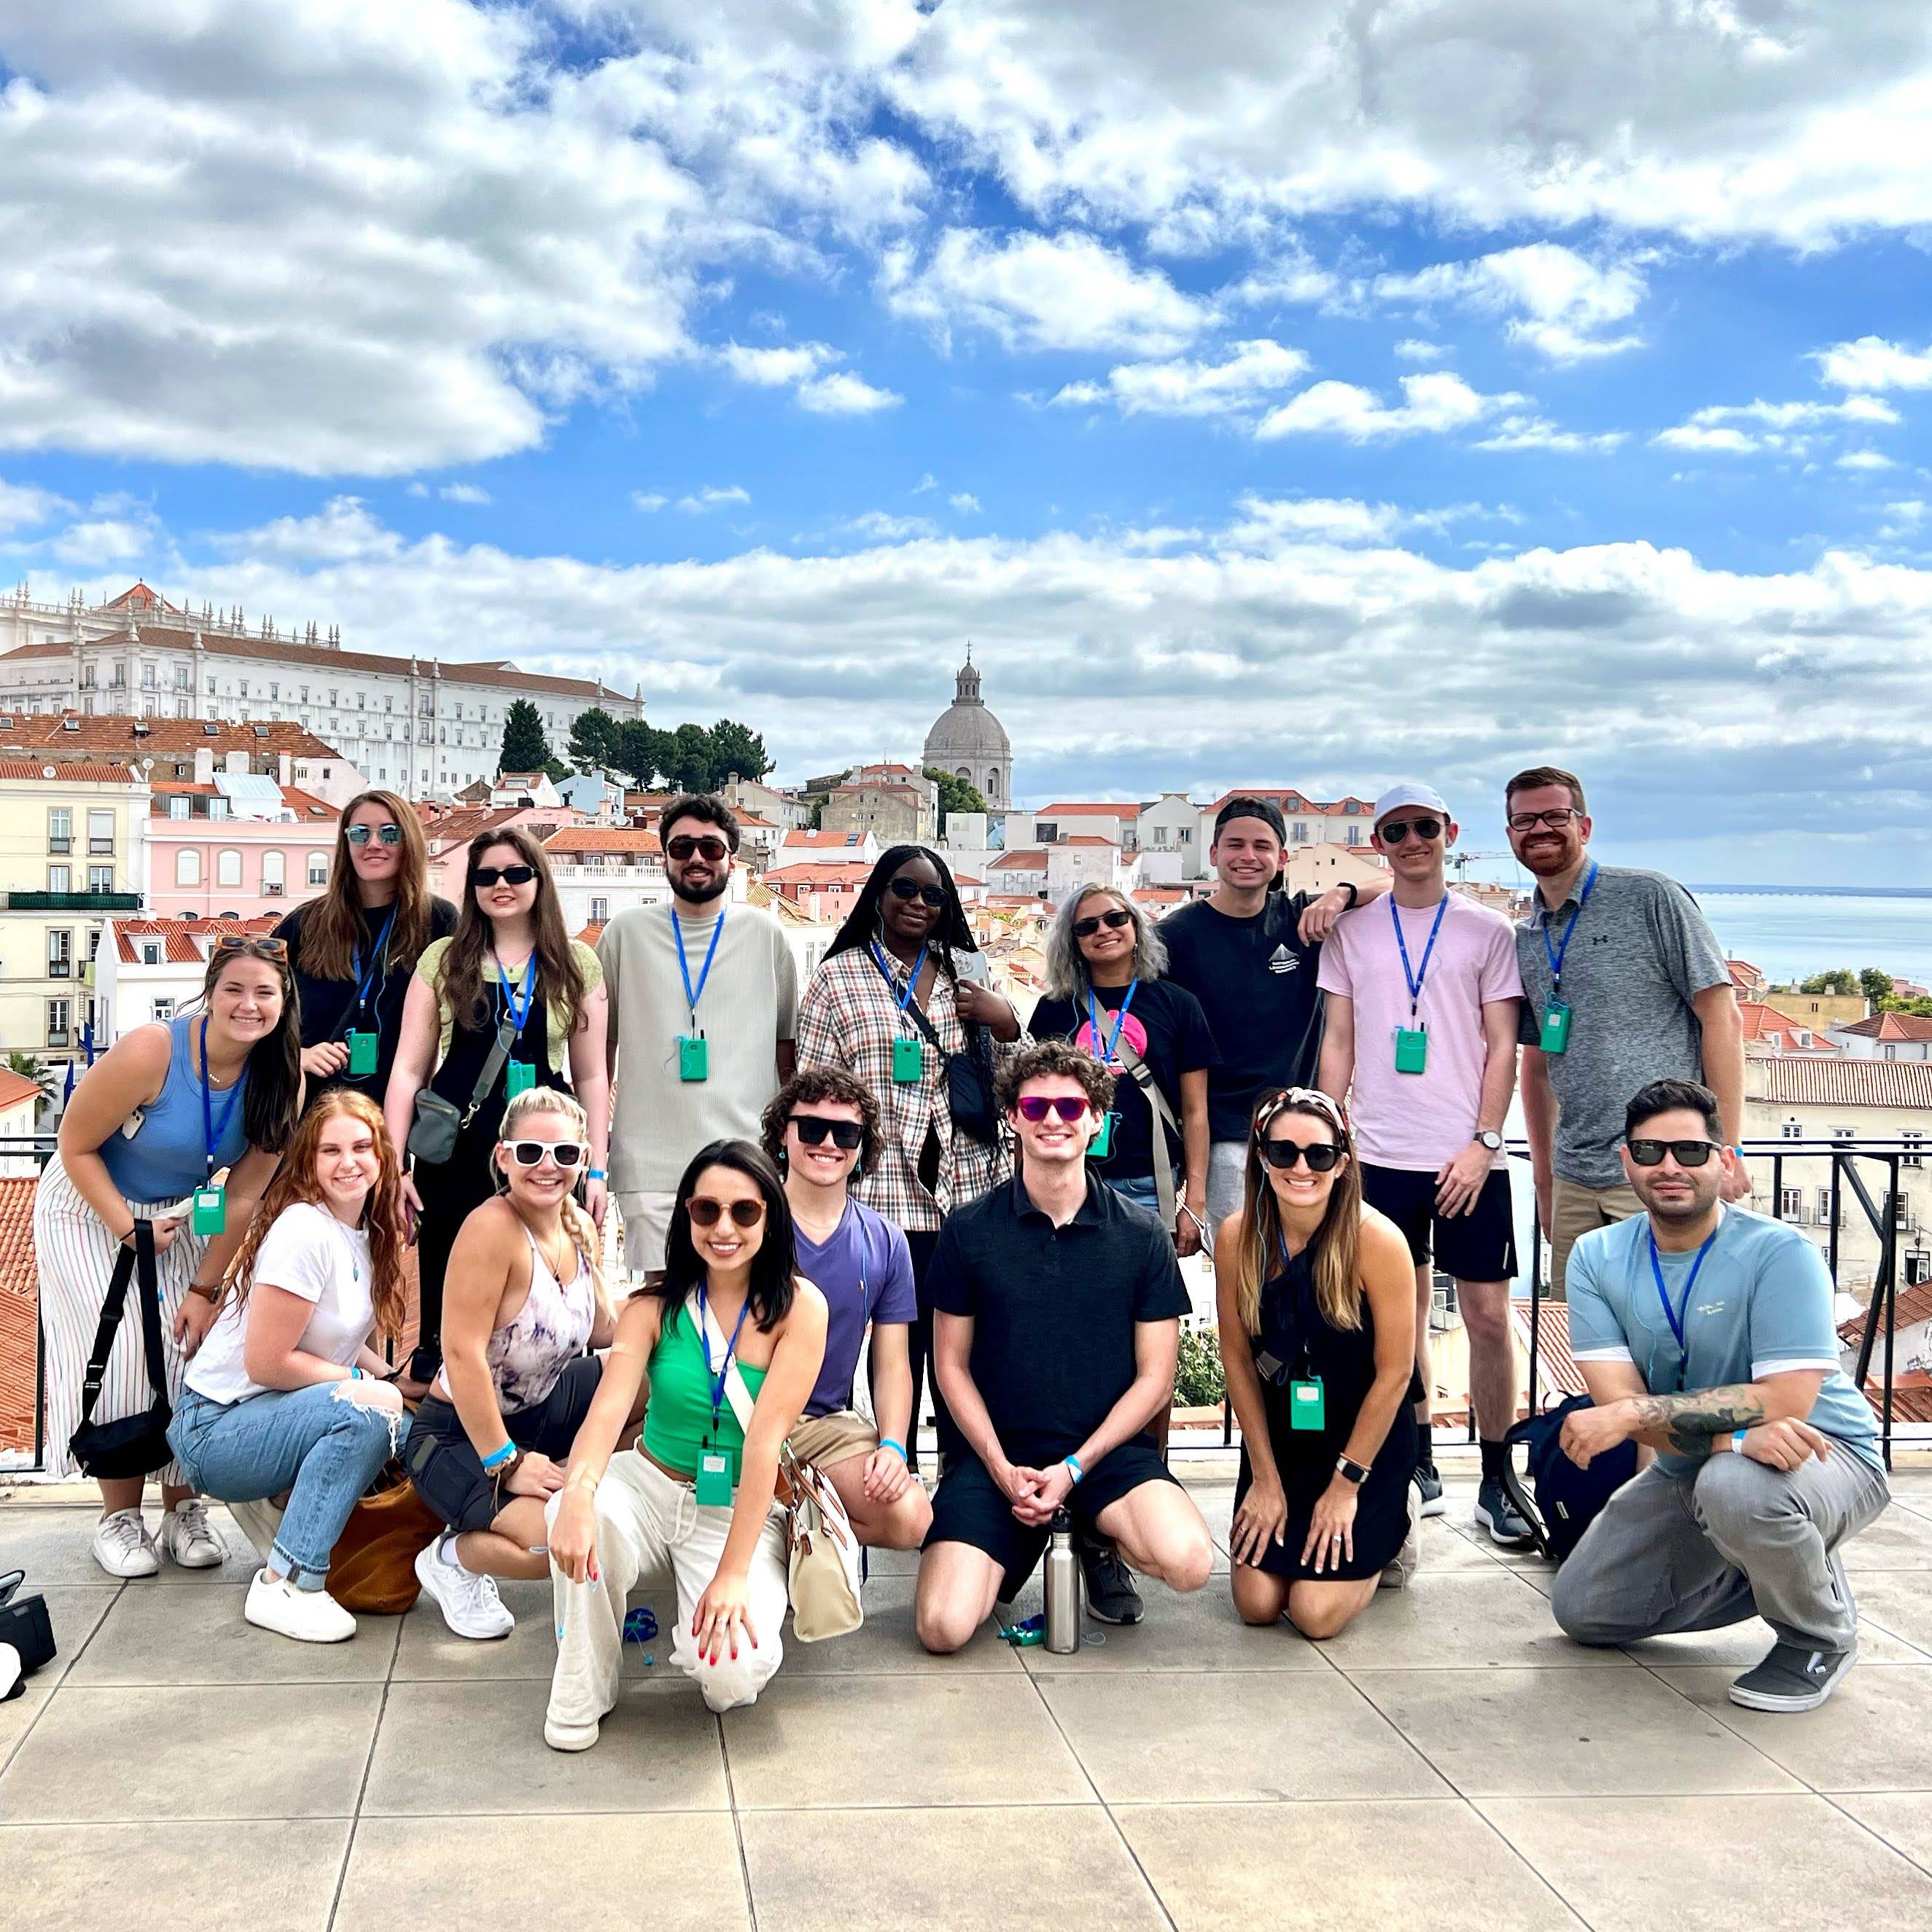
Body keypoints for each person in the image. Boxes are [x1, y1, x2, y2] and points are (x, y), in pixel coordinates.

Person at [1551, 1080, 1888, 1713]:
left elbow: (1787, 1400)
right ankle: (1778, 1560)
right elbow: (1620, 1405)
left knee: (1734, 1489)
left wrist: (1635, 1416)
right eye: (1649, 1152)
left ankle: (1817, 1632)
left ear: (1724, 1161)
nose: (1669, 1167)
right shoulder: (1597, 1256)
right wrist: (1730, 1435)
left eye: (1690, 1150)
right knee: (1586, 1612)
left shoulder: (1779, 1252)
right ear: (1626, 1162)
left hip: (1823, 1452)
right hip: (1704, 1456)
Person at [914, 1042, 1215, 1653]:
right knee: (942, 1629)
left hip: (1104, 1458)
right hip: (999, 1461)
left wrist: (1077, 1467)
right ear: (1012, 1117)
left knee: (1189, 1562)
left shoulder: (1141, 1234)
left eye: (1071, 1107)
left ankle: (1094, 1537)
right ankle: (1017, 1546)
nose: (1054, 1118)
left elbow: (1156, 1379)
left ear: (1096, 1118)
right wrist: (1000, 1469)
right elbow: (949, 1366)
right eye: (1036, 1105)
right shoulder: (969, 1230)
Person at [34, 936, 303, 1578]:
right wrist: (126, 1227)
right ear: (208, 993)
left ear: (283, 1002)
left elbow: (242, 1193)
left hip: (176, 1213)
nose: (248, 1004)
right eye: (234, 989)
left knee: (189, 1349)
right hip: (88, 1206)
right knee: (126, 1348)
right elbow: (74, 1144)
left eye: (264, 992)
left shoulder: (280, 1079)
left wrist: (204, 1291)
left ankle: (183, 1509)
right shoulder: (154, 1050)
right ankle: (117, 1517)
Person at [545, 1142, 827, 1746]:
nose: (724, 1228)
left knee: (733, 1679)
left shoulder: (801, 1308)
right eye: (706, 1211)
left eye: (744, 1212)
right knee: (575, 1513)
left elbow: (764, 1445)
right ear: (686, 1216)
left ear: (770, 1217)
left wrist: (730, 1575)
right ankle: (582, 1686)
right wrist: (577, 1490)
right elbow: (608, 1412)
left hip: (736, 1507)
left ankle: (702, 1609)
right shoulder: (648, 1307)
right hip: (647, 1483)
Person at [1317, 782, 1530, 1538]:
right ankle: (1416, 1458)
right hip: (1374, 1153)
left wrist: (1484, 1141)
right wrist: (1327, 1134)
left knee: (1485, 1317)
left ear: (1449, 832)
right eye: (1396, 830)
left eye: (1425, 828)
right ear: (1377, 842)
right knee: (1392, 1320)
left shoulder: (1487, 929)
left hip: (1465, 1156)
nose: (1412, 841)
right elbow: (1337, 1039)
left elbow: (1503, 1043)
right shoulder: (1353, 930)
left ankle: (1499, 1472)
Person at [795, 844, 1021, 1473]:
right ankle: (896, 1465)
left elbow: (1011, 1088)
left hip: (968, 1193)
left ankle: (964, 1475)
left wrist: (1006, 1024)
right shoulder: (837, 978)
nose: (919, 903)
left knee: (965, 1345)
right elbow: (814, 1091)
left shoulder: (968, 975)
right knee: (893, 1347)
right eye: (905, 889)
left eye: (933, 894)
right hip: (882, 1194)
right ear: (878, 894)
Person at [166, 1091, 409, 1643]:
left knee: (410, 1423)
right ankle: (288, 1582)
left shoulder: (364, 1231)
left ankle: (384, 1555)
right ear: (309, 1162)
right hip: (216, 1428)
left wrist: (394, 1380)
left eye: (361, 1147)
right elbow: (268, 1362)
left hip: (272, 1414)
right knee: (365, 1418)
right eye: (331, 1151)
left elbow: (333, 1341)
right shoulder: (305, 1228)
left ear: (381, 1155)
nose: (348, 1162)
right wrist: (363, 1386)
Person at [1506, 766, 1748, 1299]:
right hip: (1575, 1181)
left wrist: (1724, 1152)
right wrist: (1545, 1181)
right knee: (1579, 1339)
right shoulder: (1527, 936)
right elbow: (1541, 1065)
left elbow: (1723, 1019)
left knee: (1676, 1331)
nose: (1539, 829)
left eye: (1554, 815)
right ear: (1509, 836)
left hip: (1664, 1170)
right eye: (1525, 820)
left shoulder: (1650, 897)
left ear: (1584, 826)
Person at [386, 826, 608, 1391]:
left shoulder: (575, 961)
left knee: (548, 1283)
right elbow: (409, 1070)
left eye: (515, 873)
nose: (501, 885)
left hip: (550, 1155)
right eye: (486, 876)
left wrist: (598, 1167)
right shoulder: (444, 958)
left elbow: (591, 1074)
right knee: (451, 1280)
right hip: (457, 1151)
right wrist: (394, 1166)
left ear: (539, 878)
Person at [404, 1088, 617, 1640]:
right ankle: (453, 1559)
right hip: (460, 1436)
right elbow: (461, 1354)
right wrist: (509, 1463)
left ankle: (589, 1486)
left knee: (639, 1379)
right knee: (558, 1543)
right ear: (503, 1157)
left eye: (565, 1155)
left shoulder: (578, 1227)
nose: (548, 1167)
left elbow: (607, 1331)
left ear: (584, 1160)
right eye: (531, 1153)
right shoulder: (491, 1229)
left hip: (540, 1412)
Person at [1215, 1088, 1420, 1639]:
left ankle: (1397, 1524)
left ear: (1343, 1163)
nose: (1300, 1167)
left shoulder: (1376, 1241)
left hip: (1362, 1442)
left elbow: (1396, 1372)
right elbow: (1235, 1355)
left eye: (1319, 1155)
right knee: (1257, 1603)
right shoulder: (1238, 1236)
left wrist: (1345, 1487)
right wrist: (1264, 1478)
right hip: (1284, 1439)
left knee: (1313, 1615)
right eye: (1283, 1152)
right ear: (1261, 1156)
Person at [1161, 795, 1389, 1234]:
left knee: (1311, 1270)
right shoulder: (1175, 936)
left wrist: (1344, 892)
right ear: (1214, 855)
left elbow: (1406, 887)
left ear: (1282, 857)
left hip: (1302, 1132)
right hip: (1225, 1137)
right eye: (1235, 845)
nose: (1248, 856)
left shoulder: (1304, 918)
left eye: (1262, 846)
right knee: (1245, 1274)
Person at [599, 794, 797, 1275]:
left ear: (732, 859)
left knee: (741, 1309)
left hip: (747, 1159)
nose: (695, 859)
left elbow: (786, 1052)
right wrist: (599, 1136)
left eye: (710, 848)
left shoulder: (767, 936)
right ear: (664, 856)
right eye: (682, 847)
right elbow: (599, 1049)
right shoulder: (624, 934)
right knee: (663, 1311)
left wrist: (784, 1152)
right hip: (650, 1164)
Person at [759, 1067, 932, 1550]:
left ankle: (801, 1528)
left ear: (862, 1146)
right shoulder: (747, 1220)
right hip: (738, 1414)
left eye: (846, 1132)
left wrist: (895, 1446)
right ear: (783, 1134)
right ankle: (781, 1524)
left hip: (823, 1426)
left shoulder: (885, 1241)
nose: (828, 1143)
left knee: (911, 1516)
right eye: (812, 1128)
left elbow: (893, 1363)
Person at [1028, 884, 1217, 1255]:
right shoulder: (1054, 1010)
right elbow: (1031, 1106)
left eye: (1115, 918)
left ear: (1136, 927)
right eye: (1087, 926)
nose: (1103, 930)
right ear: (1073, 940)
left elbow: (1196, 1112)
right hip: (1065, 1181)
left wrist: (1195, 1204)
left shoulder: (1178, 1006)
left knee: (1146, 1308)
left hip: (1148, 1183)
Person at [273, 789, 458, 1102]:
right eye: (360, 834)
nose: (374, 844)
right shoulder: (305, 923)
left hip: (394, 1115)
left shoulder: (438, 921)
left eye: (389, 833)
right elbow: (246, 1006)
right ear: (346, 844)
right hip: (306, 1111)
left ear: (409, 842)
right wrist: (294, 1055)